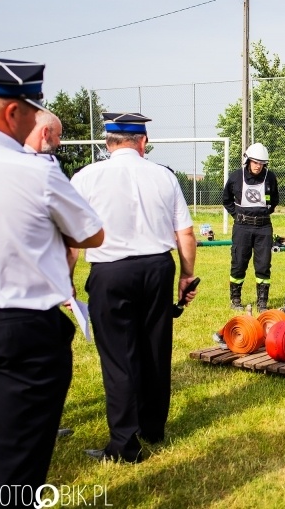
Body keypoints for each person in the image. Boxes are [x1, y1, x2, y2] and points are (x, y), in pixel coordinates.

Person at [0, 57, 104, 492]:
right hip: (20, 330)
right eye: (33, 110)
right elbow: (92, 233)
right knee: (14, 467)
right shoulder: (35, 171)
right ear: (12, 111)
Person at [70, 112, 197, 463]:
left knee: (118, 357)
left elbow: (72, 238)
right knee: (155, 348)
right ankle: (153, 427)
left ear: (107, 142)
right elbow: (185, 232)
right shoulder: (163, 176)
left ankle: (125, 444)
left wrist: (65, 281)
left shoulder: (86, 177)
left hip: (110, 271)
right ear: (143, 142)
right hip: (157, 269)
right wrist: (187, 275)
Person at [223, 142, 279, 312]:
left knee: (263, 265)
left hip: (264, 228)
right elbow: (226, 199)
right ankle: (235, 300)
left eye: (261, 163)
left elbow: (274, 200)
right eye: (255, 162)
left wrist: (263, 213)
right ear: (247, 161)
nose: (258, 166)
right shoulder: (235, 177)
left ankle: (262, 303)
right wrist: (237, 215)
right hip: (242, 227)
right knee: (239, 262)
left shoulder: (270, 177)